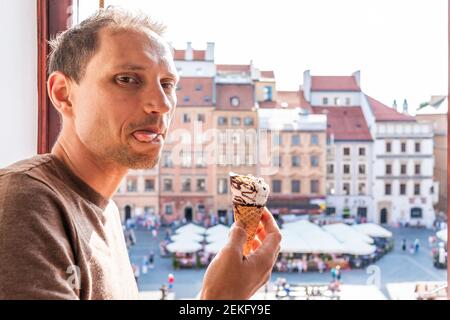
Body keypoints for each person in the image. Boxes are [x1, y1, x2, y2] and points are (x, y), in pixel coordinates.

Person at [0, 7, 281, 300]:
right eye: (127, 79)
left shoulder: (106, 211)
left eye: (168, 84)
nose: (161, 104)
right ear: (63, 94)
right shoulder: (23, 201)